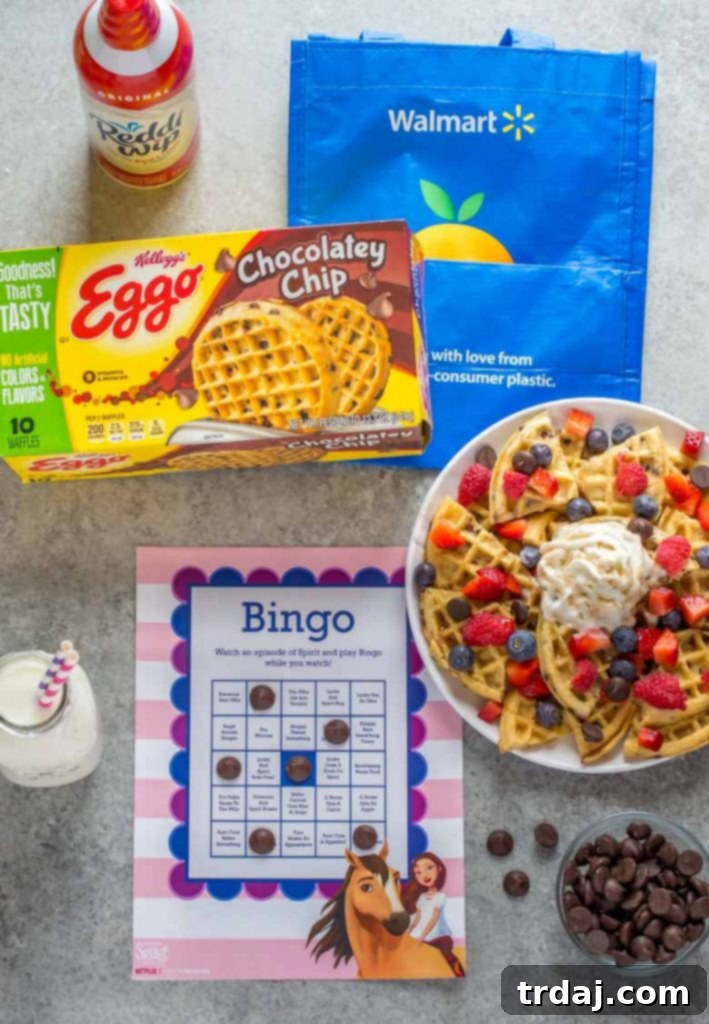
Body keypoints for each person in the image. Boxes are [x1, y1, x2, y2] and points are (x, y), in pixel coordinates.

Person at [401, 851, 464, 976]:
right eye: (418, 872)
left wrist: (421, 936)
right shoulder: (422, 897)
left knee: (447, 955)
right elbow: (417, 918)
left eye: (429, 868)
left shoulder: (440, 896)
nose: (424, 875)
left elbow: (433, 919)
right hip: (425, 939)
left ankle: (459, 974)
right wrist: (408, 933)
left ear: (439, 868)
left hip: (440, 938)